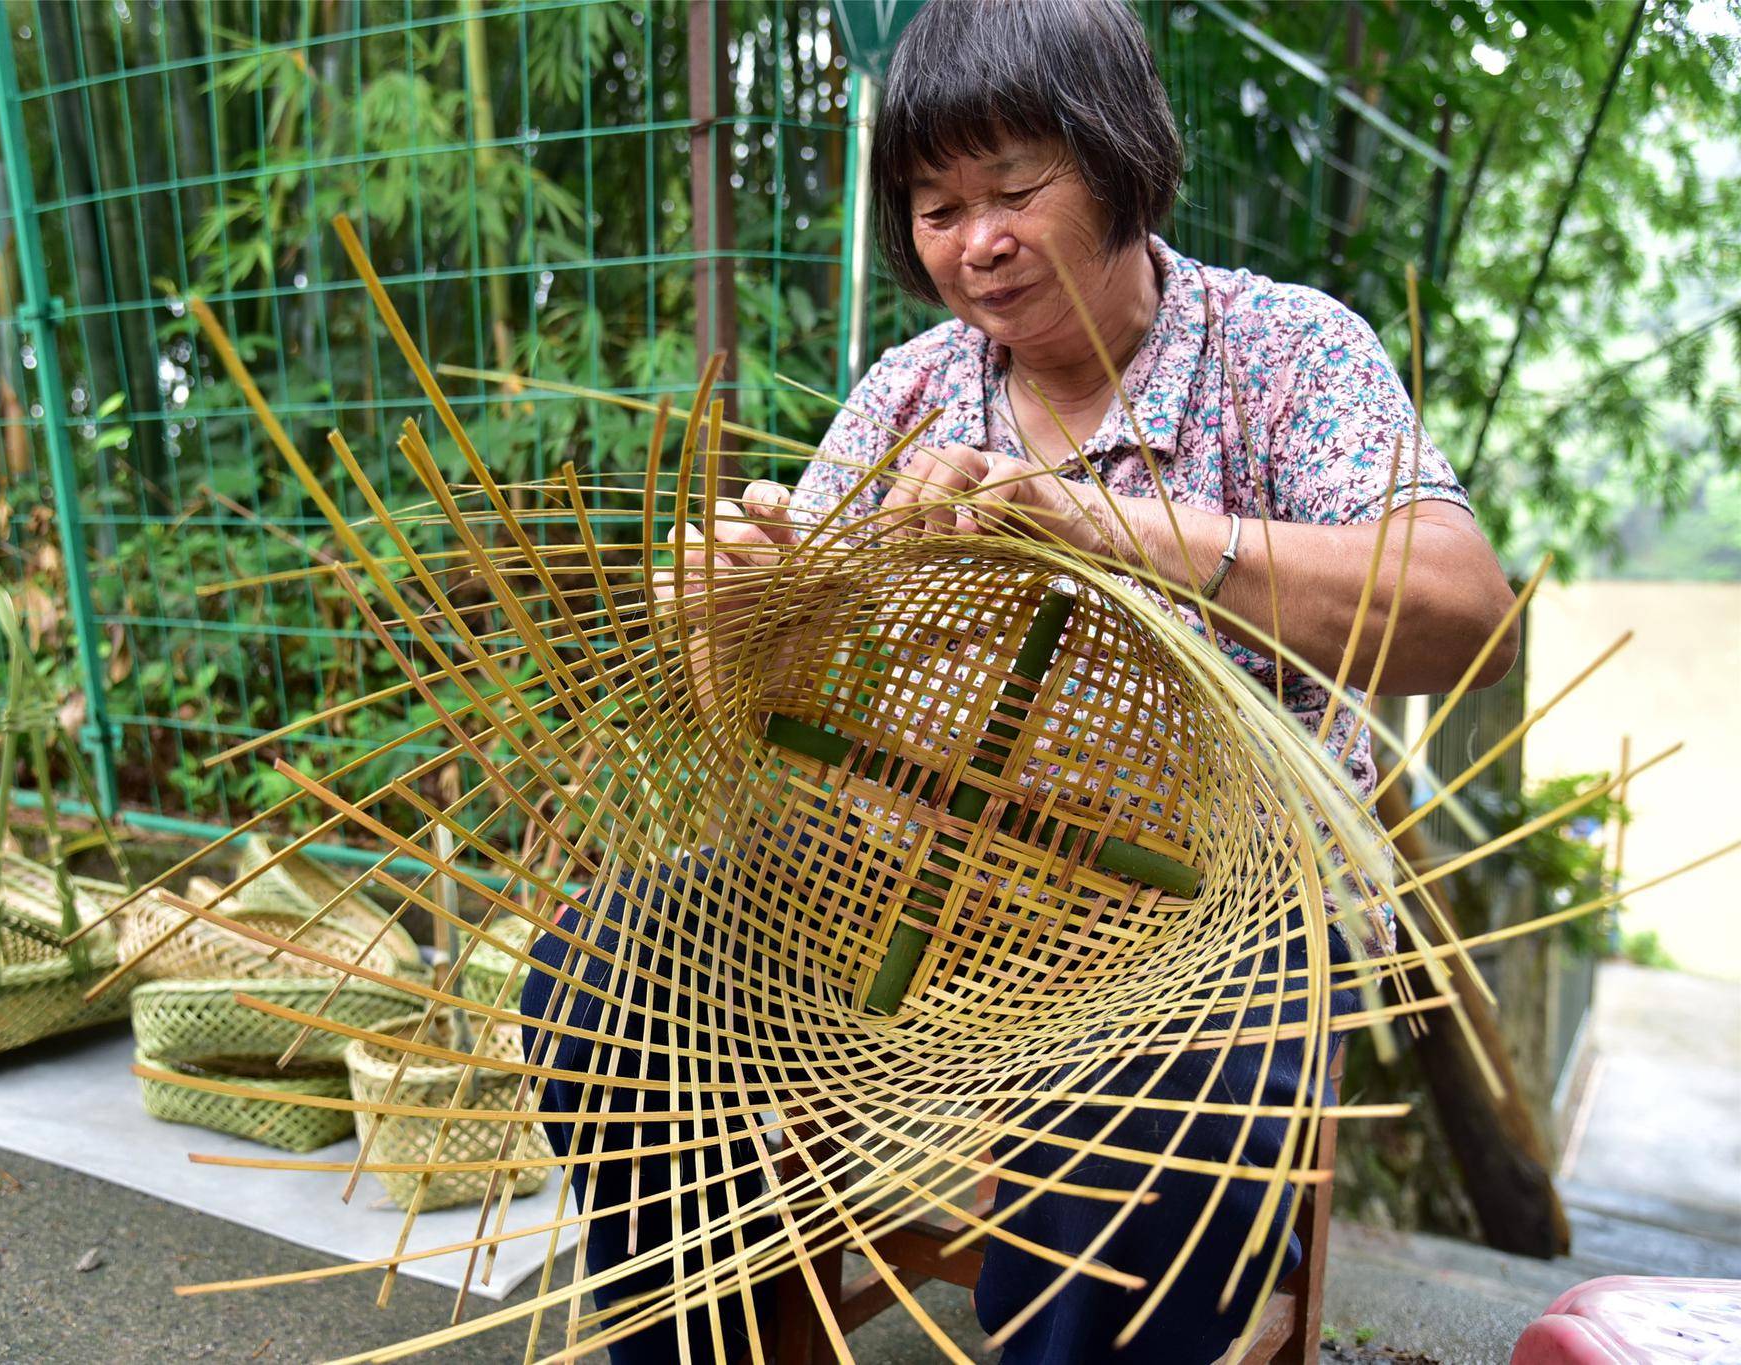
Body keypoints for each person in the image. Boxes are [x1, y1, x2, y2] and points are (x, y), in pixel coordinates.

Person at [522, 2, 1517, 1360]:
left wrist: (1115, 531)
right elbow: (754, 714)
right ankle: (724, 1331)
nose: (975, 240)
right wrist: (729, 611)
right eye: (936, 204)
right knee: (606, 961)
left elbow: (1466, 613)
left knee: (1157, 1087)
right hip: (904, 874)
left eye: (1012, 189)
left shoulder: (1288, 357)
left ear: (1117, 161)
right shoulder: (913, 390)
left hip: (1213, 908)